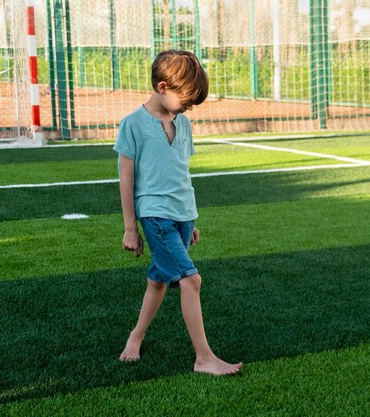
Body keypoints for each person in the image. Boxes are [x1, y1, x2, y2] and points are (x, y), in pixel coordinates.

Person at [113, 50, 242, 376]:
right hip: (155, 217)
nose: (189, 107)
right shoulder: (132, 125)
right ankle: (204, 358)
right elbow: (126, 180)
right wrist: (131, 227)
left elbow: (181, 173)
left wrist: (191, 219)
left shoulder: (183, 124)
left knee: (157, 282)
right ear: (162, 86)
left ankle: (135, 337)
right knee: (191, 280)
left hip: (182, 217)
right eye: (186, 99)